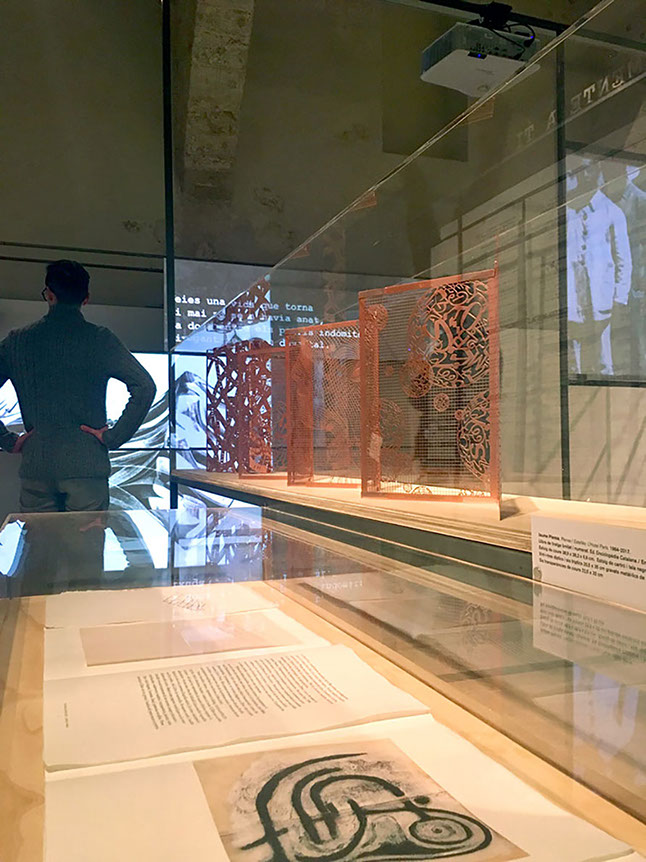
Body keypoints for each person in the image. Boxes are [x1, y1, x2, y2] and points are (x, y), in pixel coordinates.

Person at [0, 260, 156, 512]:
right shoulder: (100, 340)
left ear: (49, 295)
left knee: (40, 538)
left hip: (37, 468)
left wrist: (7, 440)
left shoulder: (17, 342)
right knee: (87, 537)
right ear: (86, 298)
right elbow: (145, 387)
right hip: (87, 469)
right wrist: (114, 437)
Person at [567, 156, 632, 376]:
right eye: (580, 171)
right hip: (574, 299)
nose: (584, 176)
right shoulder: (568, 212)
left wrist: (620, 296)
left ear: (597, 171)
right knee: (575, 363)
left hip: (601, 298)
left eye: (589, 170)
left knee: (604, 361)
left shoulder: (612, 212)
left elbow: (623, 258)